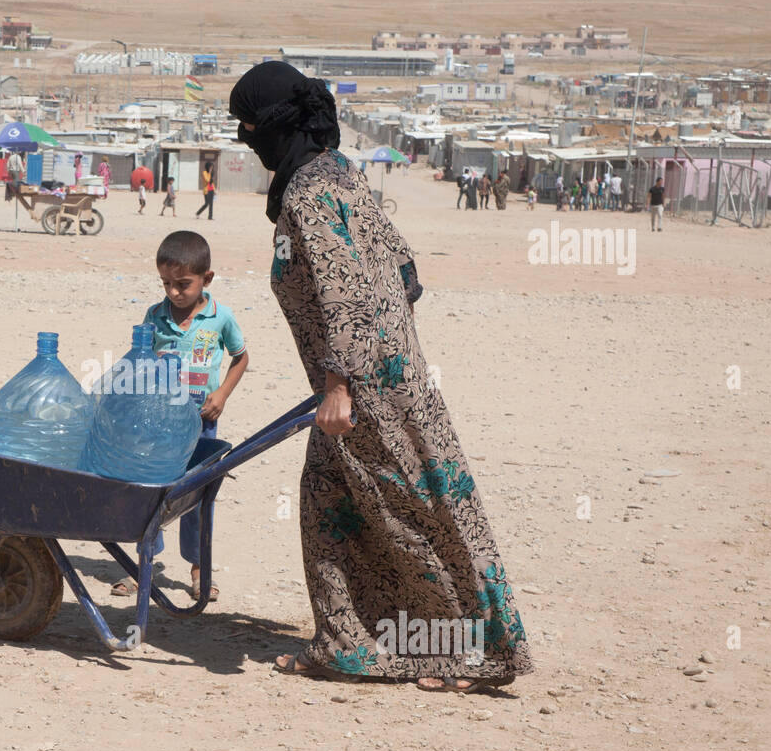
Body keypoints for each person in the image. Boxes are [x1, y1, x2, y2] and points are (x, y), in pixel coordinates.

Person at [230, 61, 532, 690]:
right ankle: (352, 645)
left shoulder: (311, 195)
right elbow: (404, 273)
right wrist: (388, 348)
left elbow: (343, 295)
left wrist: (341, 381)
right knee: (333, 505)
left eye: (251, 126)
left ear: (278, 126)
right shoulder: (343, 175)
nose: (246, 140)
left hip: (362, 391)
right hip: (391, 377)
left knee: (409, 516)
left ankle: (468, 654)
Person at [111, 231, 249, 602]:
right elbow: (140, 360)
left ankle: (199, 567)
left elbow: (241, 357)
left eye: (183, 284)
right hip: (159, 423)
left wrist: (221, 394)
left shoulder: (221, 318)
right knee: (152, 490)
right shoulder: (154, 317)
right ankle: (144, 564)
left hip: (202, 422)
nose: (173, 292)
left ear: (207, 279)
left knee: (198, 495)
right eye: (166, 284)